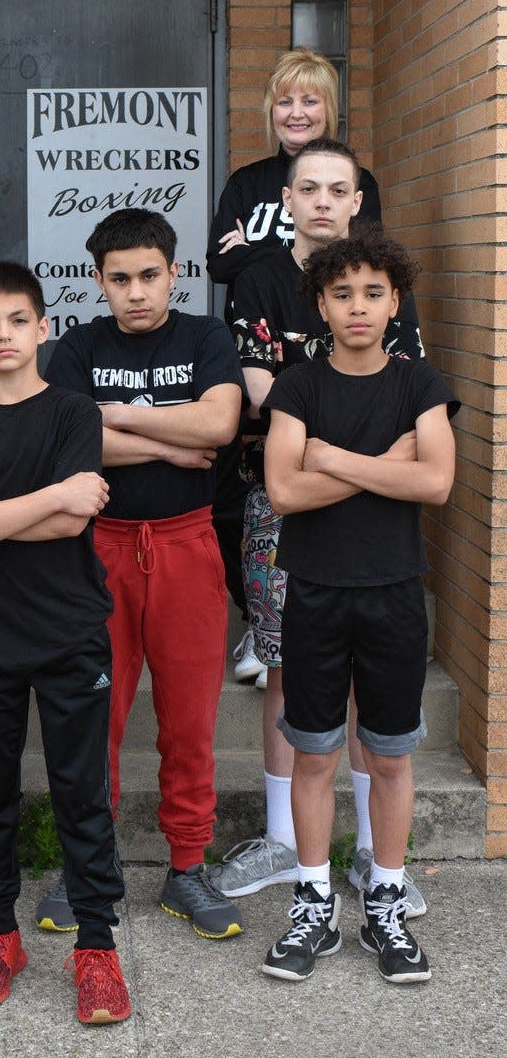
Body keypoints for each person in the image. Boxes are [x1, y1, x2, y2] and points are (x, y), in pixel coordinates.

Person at [210, 138, 427, 914]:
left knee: (372, 674)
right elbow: (263, 395)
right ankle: (280, 839)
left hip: (376, 513)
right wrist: (363, 446)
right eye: (311, 187)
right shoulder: (261, 279)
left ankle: (374, 852)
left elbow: (411, 403)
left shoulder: (381, 281)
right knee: (283, 662)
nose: (325, 200)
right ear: (289, 199)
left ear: (357, 200)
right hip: (279, 498)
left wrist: (327, 448)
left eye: (340, 187)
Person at [0, 262, 131, 1025]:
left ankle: (97, 948)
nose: (5, 335)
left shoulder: (74, 412)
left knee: (83, 792)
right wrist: (50, 496)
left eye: (18, 320)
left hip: (69, 629)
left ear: (44, 327)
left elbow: (71, 525)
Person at [259, 227, 456, 984]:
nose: (358, 307)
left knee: (390, 755)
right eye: (342, 294)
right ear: (321, 304)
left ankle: (385, 901)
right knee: (315, 753)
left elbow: (435, 482)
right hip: (313, 590)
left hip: (394, 593)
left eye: (374, 292)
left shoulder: (420, 384)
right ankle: (313, 902)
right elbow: (283, 490)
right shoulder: (299, 387)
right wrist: (387, 464)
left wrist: (332, 457)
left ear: (395, 299)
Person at [44, 209, 246, 941]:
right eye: (120, 278)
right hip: (96, 547)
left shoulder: (205, 336)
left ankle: (187, 865)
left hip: (188, 546)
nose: (136, 292)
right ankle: (86, 866)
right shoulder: (76, 345)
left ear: (176, 272)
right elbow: (69, 439)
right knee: (92, 716)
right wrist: (168, 439)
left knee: (189, 719)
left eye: (149, 275)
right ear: (98, 280)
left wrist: (118, 417)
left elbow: (220, 424)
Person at [207, 48, 382, 683]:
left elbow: (365, 262)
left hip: (328, 380)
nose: (297, 111)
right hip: (264, 354)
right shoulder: (246, 183)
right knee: (240, 505)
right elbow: (222, 264)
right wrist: (270, 252)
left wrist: (257, 244)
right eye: (286, 100)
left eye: (310, 100)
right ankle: (260, 621)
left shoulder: (357, 181)